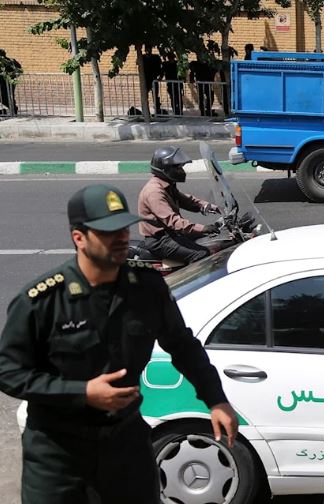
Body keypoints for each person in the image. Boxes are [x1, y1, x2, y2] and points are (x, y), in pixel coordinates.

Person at [0, 184, 238, 504]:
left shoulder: (147, 287)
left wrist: (216, 399)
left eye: (123, 229)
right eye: (108, 232)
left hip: (125, 445)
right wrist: (82, 393)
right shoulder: (43, 300)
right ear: (79, 238)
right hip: (58, 454)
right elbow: (8, 371)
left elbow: (182, 345)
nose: (122, 238)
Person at [138, 146, 221, 263]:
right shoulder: (154, 192)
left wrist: (214, 207)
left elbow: (188, 201)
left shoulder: (167, 185)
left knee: (213, 237)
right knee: (202, 254)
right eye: (178, 167)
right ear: (166, 169)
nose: (181, 171)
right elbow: (173, 221)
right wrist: (203, 228)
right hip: (161, 240)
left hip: (172, 234)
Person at [161, 51, 184, 116]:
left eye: (172, 58)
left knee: (179, 98)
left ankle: (180, 111)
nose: (171, 59)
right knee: (173, 98)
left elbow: (182, 72)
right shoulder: (166, 64)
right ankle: (176, 111)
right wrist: (160, 77)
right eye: (170, 58)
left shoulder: (178, 64)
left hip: (178, 84)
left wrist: (183, 78)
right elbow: (162, 72)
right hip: (170, 84)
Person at [142, 45, 163, 115]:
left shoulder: (156, 57)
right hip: (145, 79)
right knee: (145, 95)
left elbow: (160, 67)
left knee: (155, 96)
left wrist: (160, 76)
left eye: (149, 49)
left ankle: (157, 111)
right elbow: (138, 65)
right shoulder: (143, 57)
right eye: (147, 50)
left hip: (154, 78)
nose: (148, 51)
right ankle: (146, 111)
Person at [0, 48, 22, 115]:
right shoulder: (11, 61)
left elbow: (19, 70)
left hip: (6, 83)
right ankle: (5, 111)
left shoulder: (9, 62)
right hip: (9, 83)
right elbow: (20, 70)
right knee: (7, 97)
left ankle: (12, 110)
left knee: (5, 97)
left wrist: (11, 75)